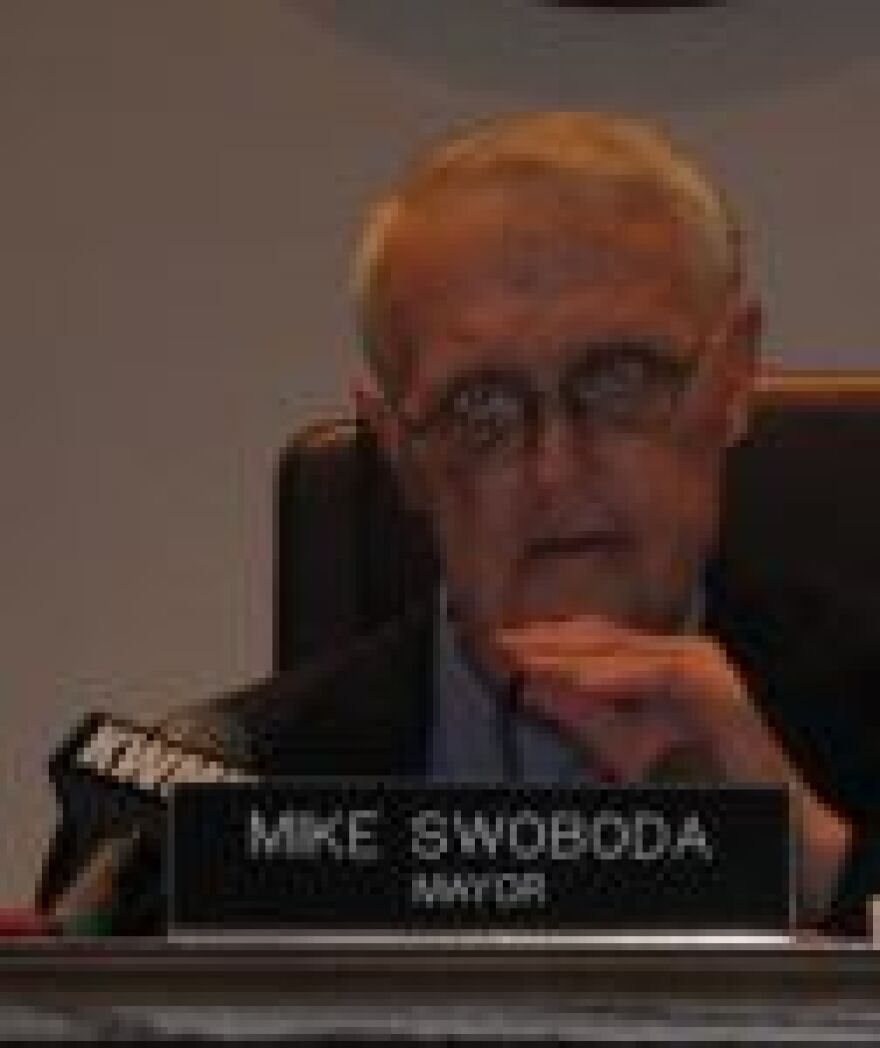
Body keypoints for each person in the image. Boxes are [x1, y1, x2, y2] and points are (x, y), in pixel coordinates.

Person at [38, 111, 880, 934]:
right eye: (480, 405)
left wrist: (818, 859)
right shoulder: (205, 809)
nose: (556, 469)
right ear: (400, 448)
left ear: (733, 379)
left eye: (620, 378)